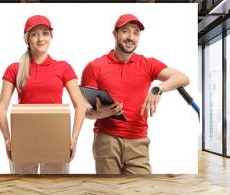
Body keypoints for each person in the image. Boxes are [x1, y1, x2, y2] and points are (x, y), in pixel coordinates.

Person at [81, 14, 190, 174]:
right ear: (115, 34)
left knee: (140, 194)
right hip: (107, 140)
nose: (131, 37)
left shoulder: (147, 64)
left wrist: (158, 88)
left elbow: (183, 78)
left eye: (136, 32)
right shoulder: (95, 67)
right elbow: (85, 111)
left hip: (138, 140)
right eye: (125, 31)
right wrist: (100, 113)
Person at [0, 15, 86, 174]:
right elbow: (1, 107)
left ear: (51, 37)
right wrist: (7, 138)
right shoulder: (14, 69)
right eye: (34, 34)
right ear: (27, 39)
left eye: (45, 33)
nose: (40, 39)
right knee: (22, 191)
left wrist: (73, 138)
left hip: (56, 137)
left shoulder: (63, 67)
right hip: (23, 138)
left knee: (56, 192)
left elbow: (80, 105)